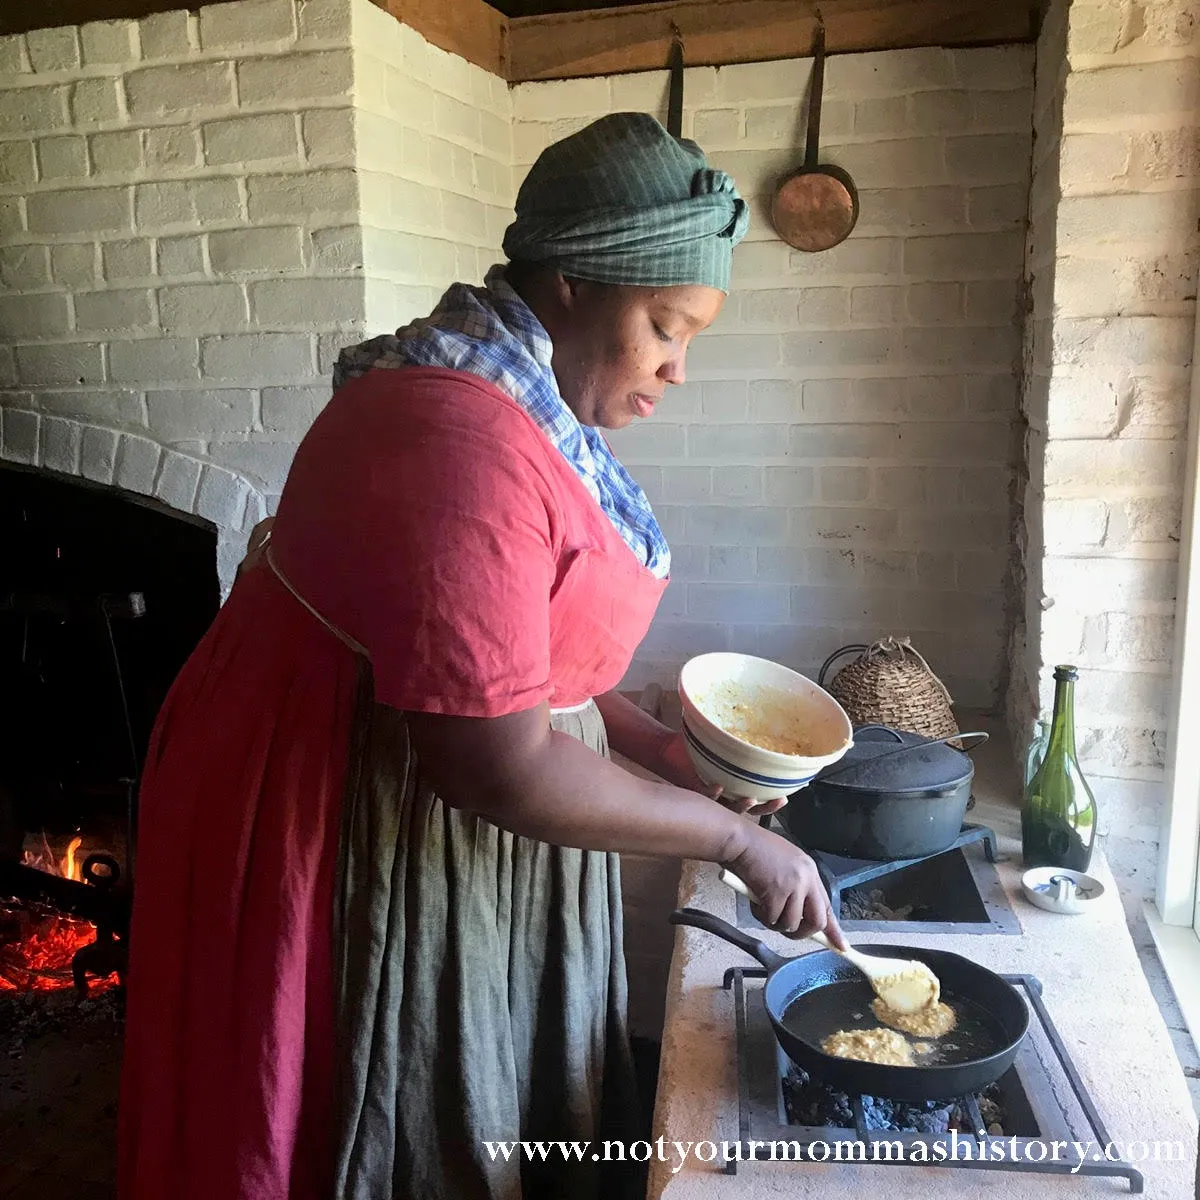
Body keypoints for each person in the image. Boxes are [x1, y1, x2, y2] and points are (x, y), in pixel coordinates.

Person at [117, 113, 845, 1200]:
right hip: (344, 803)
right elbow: (494, 762)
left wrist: (666, 754)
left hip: (436, 797)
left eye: (691, 336)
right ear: (567, 283)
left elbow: (528, 661)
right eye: (663, 324)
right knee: (380, 1124)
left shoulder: (522, 398)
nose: (677, 367)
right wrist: (734, 845)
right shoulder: (460, 437)